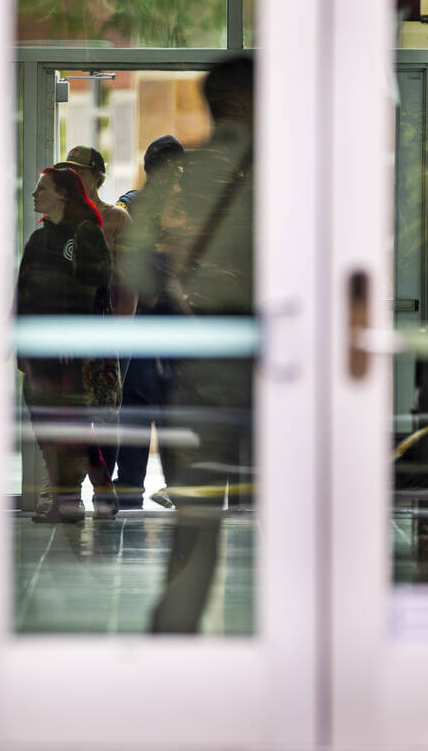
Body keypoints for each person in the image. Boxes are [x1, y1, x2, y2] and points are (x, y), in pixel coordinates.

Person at [132, 57, 254, 632]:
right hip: (276, 367)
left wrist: (183, 292)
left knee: (198, 513)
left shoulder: (176, 175)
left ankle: (172, 632)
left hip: (202, 362)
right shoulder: (283, 172)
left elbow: (135, 269)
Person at [16, 165, 117, 523]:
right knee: (47, 427)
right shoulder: (39, 239)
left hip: (71, 352)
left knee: (70, 427)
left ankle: (83, 496)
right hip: (39, 352)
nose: (34, 194)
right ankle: (79, 497)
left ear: (62, 194)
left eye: (41, 188)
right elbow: (23, 296)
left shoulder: (86, 234)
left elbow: (94, 290)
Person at [56, 146, 133, 517]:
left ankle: (104, 486)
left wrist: (119, 330)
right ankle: (68, 491)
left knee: (104, 415)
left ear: (98, 179)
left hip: (106, 330)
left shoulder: (116, 220)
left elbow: (128, 282)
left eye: (81, 172)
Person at [113, 135, 185, 510]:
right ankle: (141, 488)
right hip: (153, 319)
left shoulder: (131, 206)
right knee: (154, 404)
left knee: (143, 407)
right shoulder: (134, 208)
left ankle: (130, 489)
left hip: (151, 321)